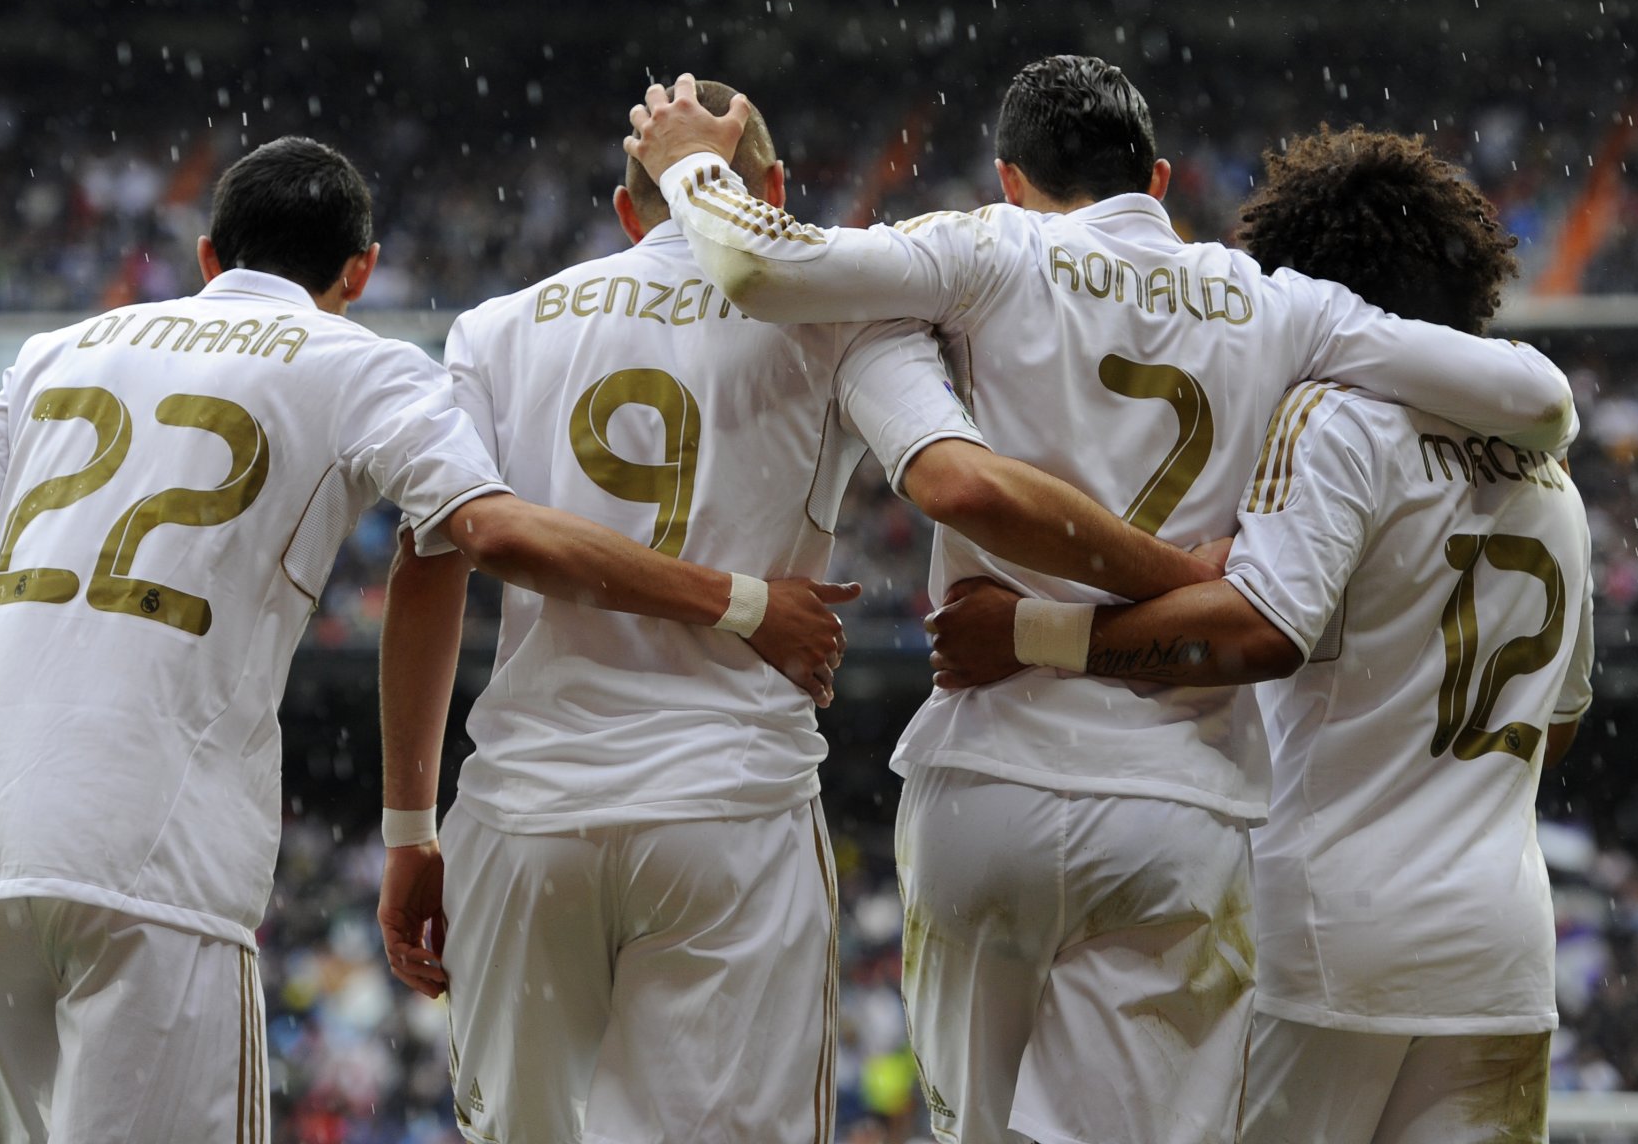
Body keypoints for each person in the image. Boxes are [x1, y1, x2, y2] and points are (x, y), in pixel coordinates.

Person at [625, 61, 1579, 1144]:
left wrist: (693, 167)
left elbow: (758, 265)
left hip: (989, 777)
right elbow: (1539, 397)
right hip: (1178, 803)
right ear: (1157, 179)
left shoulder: (986, 245)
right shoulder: (1279, 304)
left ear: (1010, 177)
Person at [0, 135, 845, 1143]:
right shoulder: (363, 366)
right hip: (151, 866)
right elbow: (486, 534)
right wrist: (744, 602)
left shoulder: (53, 354)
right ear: (362, 269)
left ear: (209, 256)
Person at [374, 79, 1223, 1144]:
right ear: (772, 193)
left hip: (525, 812)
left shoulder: (493, 332)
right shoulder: (835, 317)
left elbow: (428, 564)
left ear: (627, 209)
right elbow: (952, 477)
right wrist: (1173, 575)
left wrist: (409, 831)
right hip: (729, 805)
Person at [929, 126, 1594, 1144]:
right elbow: (1558, 723)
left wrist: (1030, 633)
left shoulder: (1335, 419)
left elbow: (1258, 631)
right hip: (1499, 950)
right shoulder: (1554, 482)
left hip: (1322, 938)